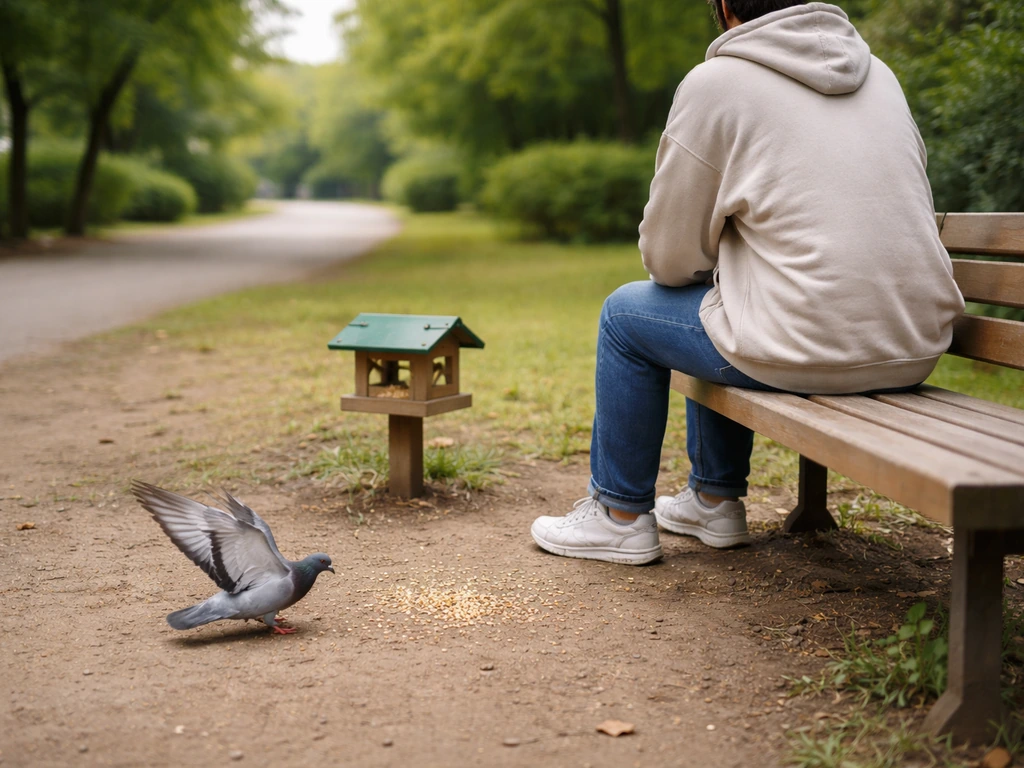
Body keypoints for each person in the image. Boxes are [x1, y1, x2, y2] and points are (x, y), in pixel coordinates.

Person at [530, 0, 964, 565]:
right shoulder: (880, 76)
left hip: (806, 348)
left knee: (624, 315)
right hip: (912, 347)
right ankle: (712, 499)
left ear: (727, 6)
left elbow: (667, 258)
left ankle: (619, 516)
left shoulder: (718, 83)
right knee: (724, 297)